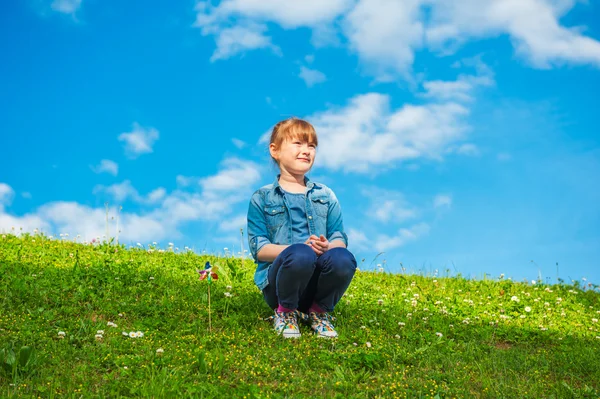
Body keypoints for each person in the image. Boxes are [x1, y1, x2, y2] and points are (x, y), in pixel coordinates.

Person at [247, 117, 357, 338]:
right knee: (300, 253)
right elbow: (259, 248)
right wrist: (296, 248)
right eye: (297, 143)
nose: (306, 150)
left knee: (343, 257)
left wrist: (330, 247)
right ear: (275, 150)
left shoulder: (325, 195)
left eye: (311, 146)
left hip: (316, 282)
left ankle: (319, 312)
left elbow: (338, 235)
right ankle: (286, 312)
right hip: (280, 284)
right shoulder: (262, 197)